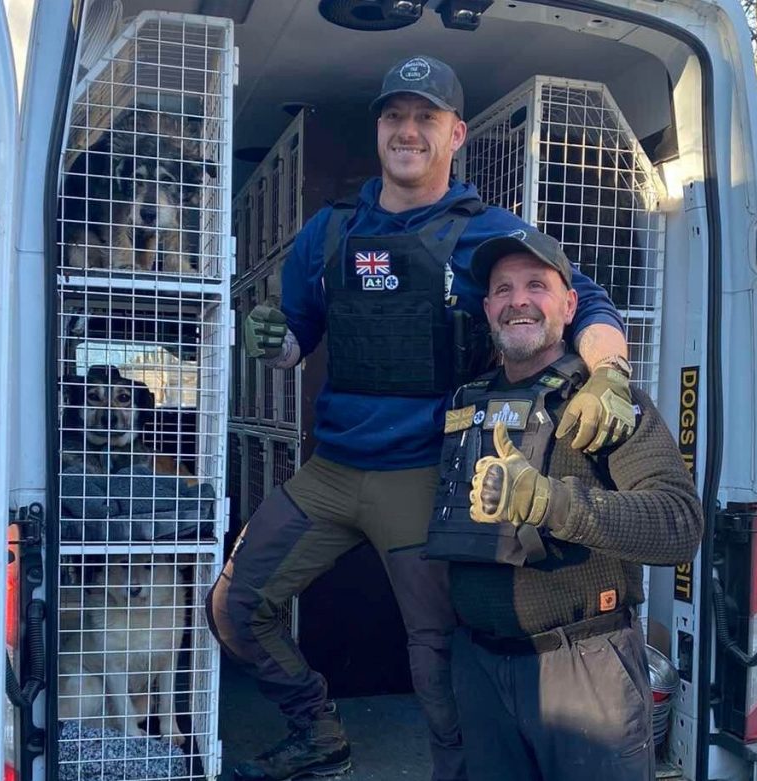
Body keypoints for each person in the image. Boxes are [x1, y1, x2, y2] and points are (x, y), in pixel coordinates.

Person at [207, 55, 635, 781]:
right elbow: (296, 342)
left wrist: (611, 373)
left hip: (426, 477)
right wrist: (272, 342)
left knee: (436, 657)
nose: (408, 131)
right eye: (394, 116)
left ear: (456, 133)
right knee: (236, 608)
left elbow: (585, 301)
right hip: (333, 469)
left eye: (425, 118)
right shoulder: (327, 231)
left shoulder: (490, 233)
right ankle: (318, 734)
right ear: (379, 128)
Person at [426, 226, 704, 781]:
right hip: (479, 670)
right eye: (503, 290)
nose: (519, 301)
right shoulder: (467, 401)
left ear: (570, 303)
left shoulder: (606, 404)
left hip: (585, 671)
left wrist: (554, 504)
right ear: (487, 308)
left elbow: (680, 524)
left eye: (537, 285)